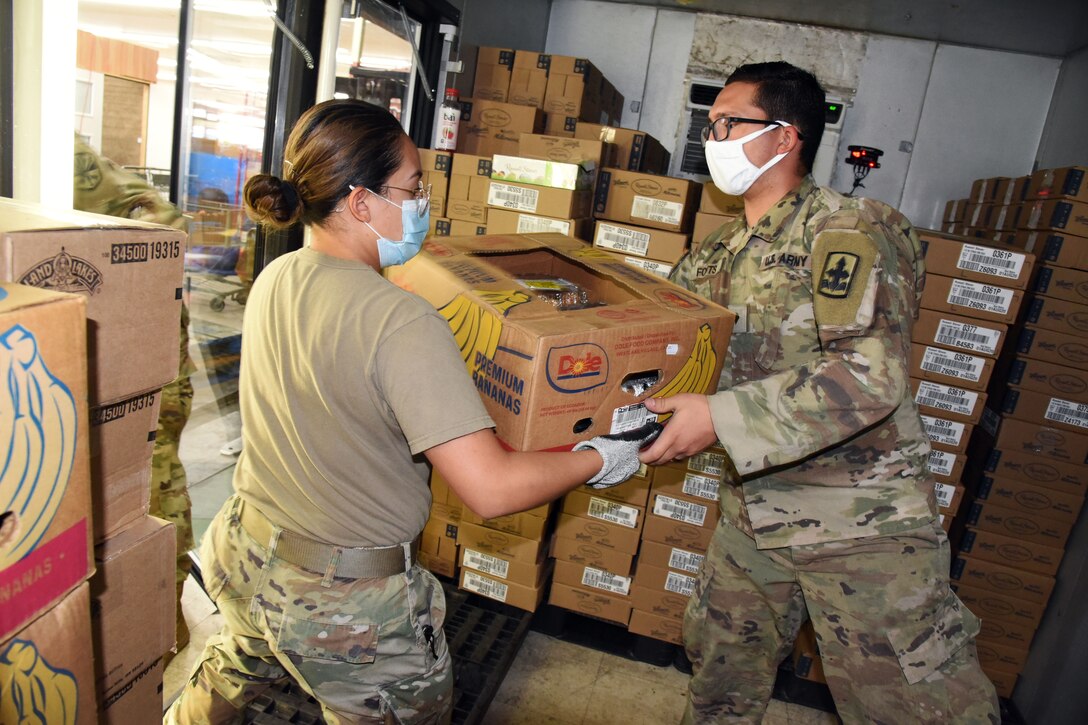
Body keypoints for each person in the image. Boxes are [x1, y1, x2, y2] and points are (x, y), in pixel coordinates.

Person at [164, 99, 657, 725]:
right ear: (362, 201)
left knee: (230, 678)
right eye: (415, 186)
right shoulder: (400, 319)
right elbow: (492, 488)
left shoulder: (277, 276)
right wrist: (601, 457)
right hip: (345, 602)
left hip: (246, 552)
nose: (425, 201)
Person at [639, 62, 1000, 723]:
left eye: (728, 123)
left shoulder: (848, 230)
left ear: (785, 138)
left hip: (860, 524)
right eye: (708, 123)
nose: (711, 135)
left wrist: (717, 417)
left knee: (912, 705)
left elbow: (869, 373)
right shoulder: (715, 256)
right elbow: (666, 348)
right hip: (754, 514)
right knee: (721, 678)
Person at [72, 135, 198, 662]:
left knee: (152, 486)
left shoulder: (71, 160)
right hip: (126, 357)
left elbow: (166, 222)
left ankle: (160, 623)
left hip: (142, 365)